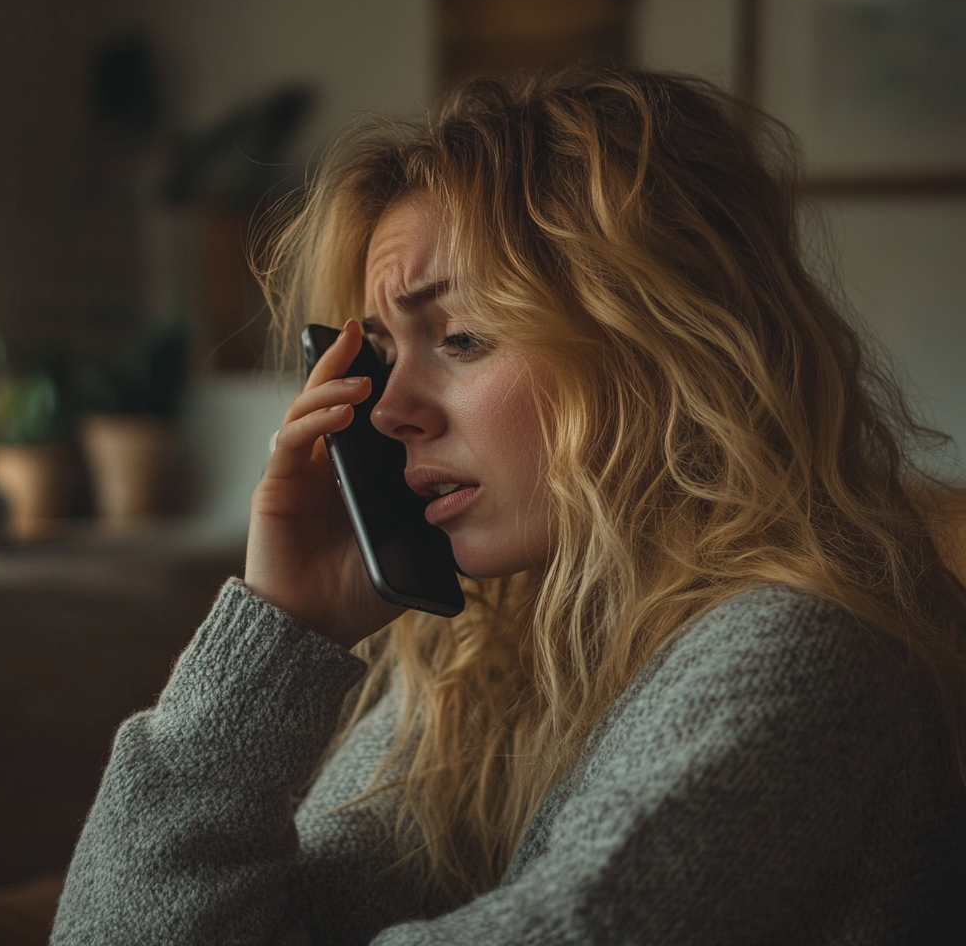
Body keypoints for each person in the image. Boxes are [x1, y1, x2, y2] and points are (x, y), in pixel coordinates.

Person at [50, 69, 966, 945]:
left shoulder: (796, 660)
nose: (388, 409)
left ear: (662, 348)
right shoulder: (484, 654)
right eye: (382, 357)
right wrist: (277, 629)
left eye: (462, 336)